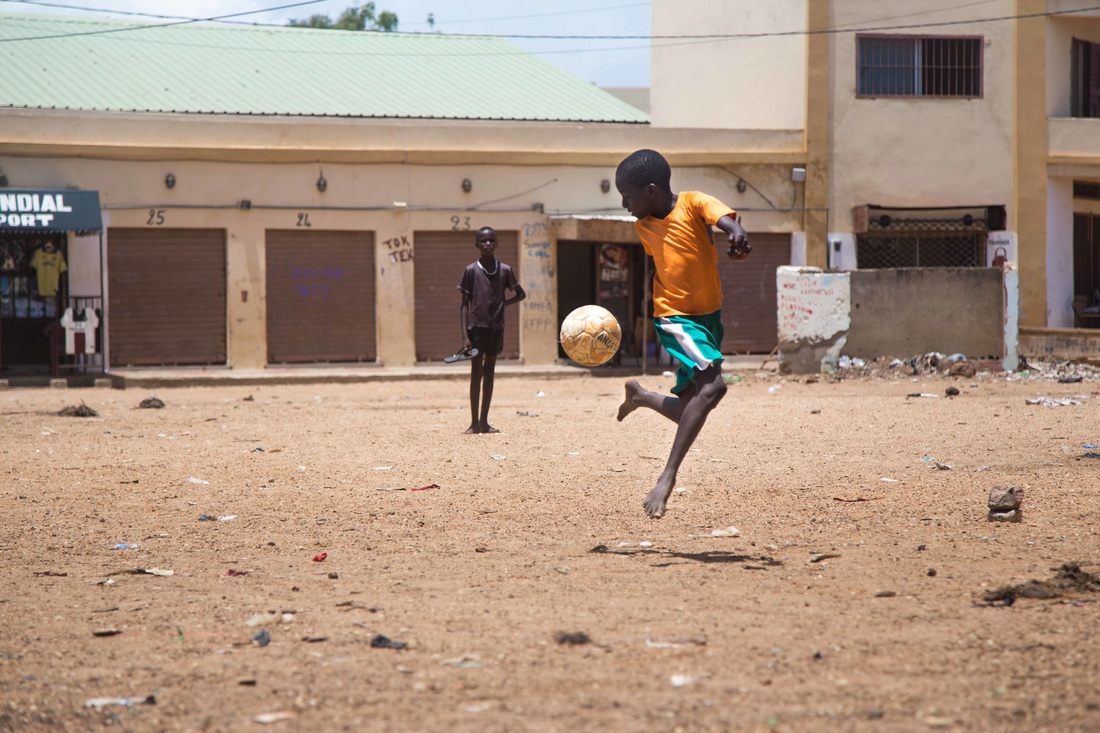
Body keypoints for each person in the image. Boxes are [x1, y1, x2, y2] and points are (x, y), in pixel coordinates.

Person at [614, 149, 750, 518]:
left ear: (652, 191)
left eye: (627, 196)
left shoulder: (692, 203)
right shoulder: (643, 227)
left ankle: (641, 397)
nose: (624, 204)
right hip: (675, 318)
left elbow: (724, 220)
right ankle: (667, 477)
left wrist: (736, 235)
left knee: (691, 407)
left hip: (710, 317)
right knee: (713, 387)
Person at [458, 226, 526, 434]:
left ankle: (485, 422)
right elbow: (464, 305)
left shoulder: (505, 270)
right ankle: (473, 423)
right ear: (477, 245)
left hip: (496, 328)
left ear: (496, 244)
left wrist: (503, 304)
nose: (487, 244)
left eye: (491, 241)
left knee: (489, 373)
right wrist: (464, 337)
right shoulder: (470, 271)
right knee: (476, 372)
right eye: (483, 241)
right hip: (476, 329)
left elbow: (521, 294)